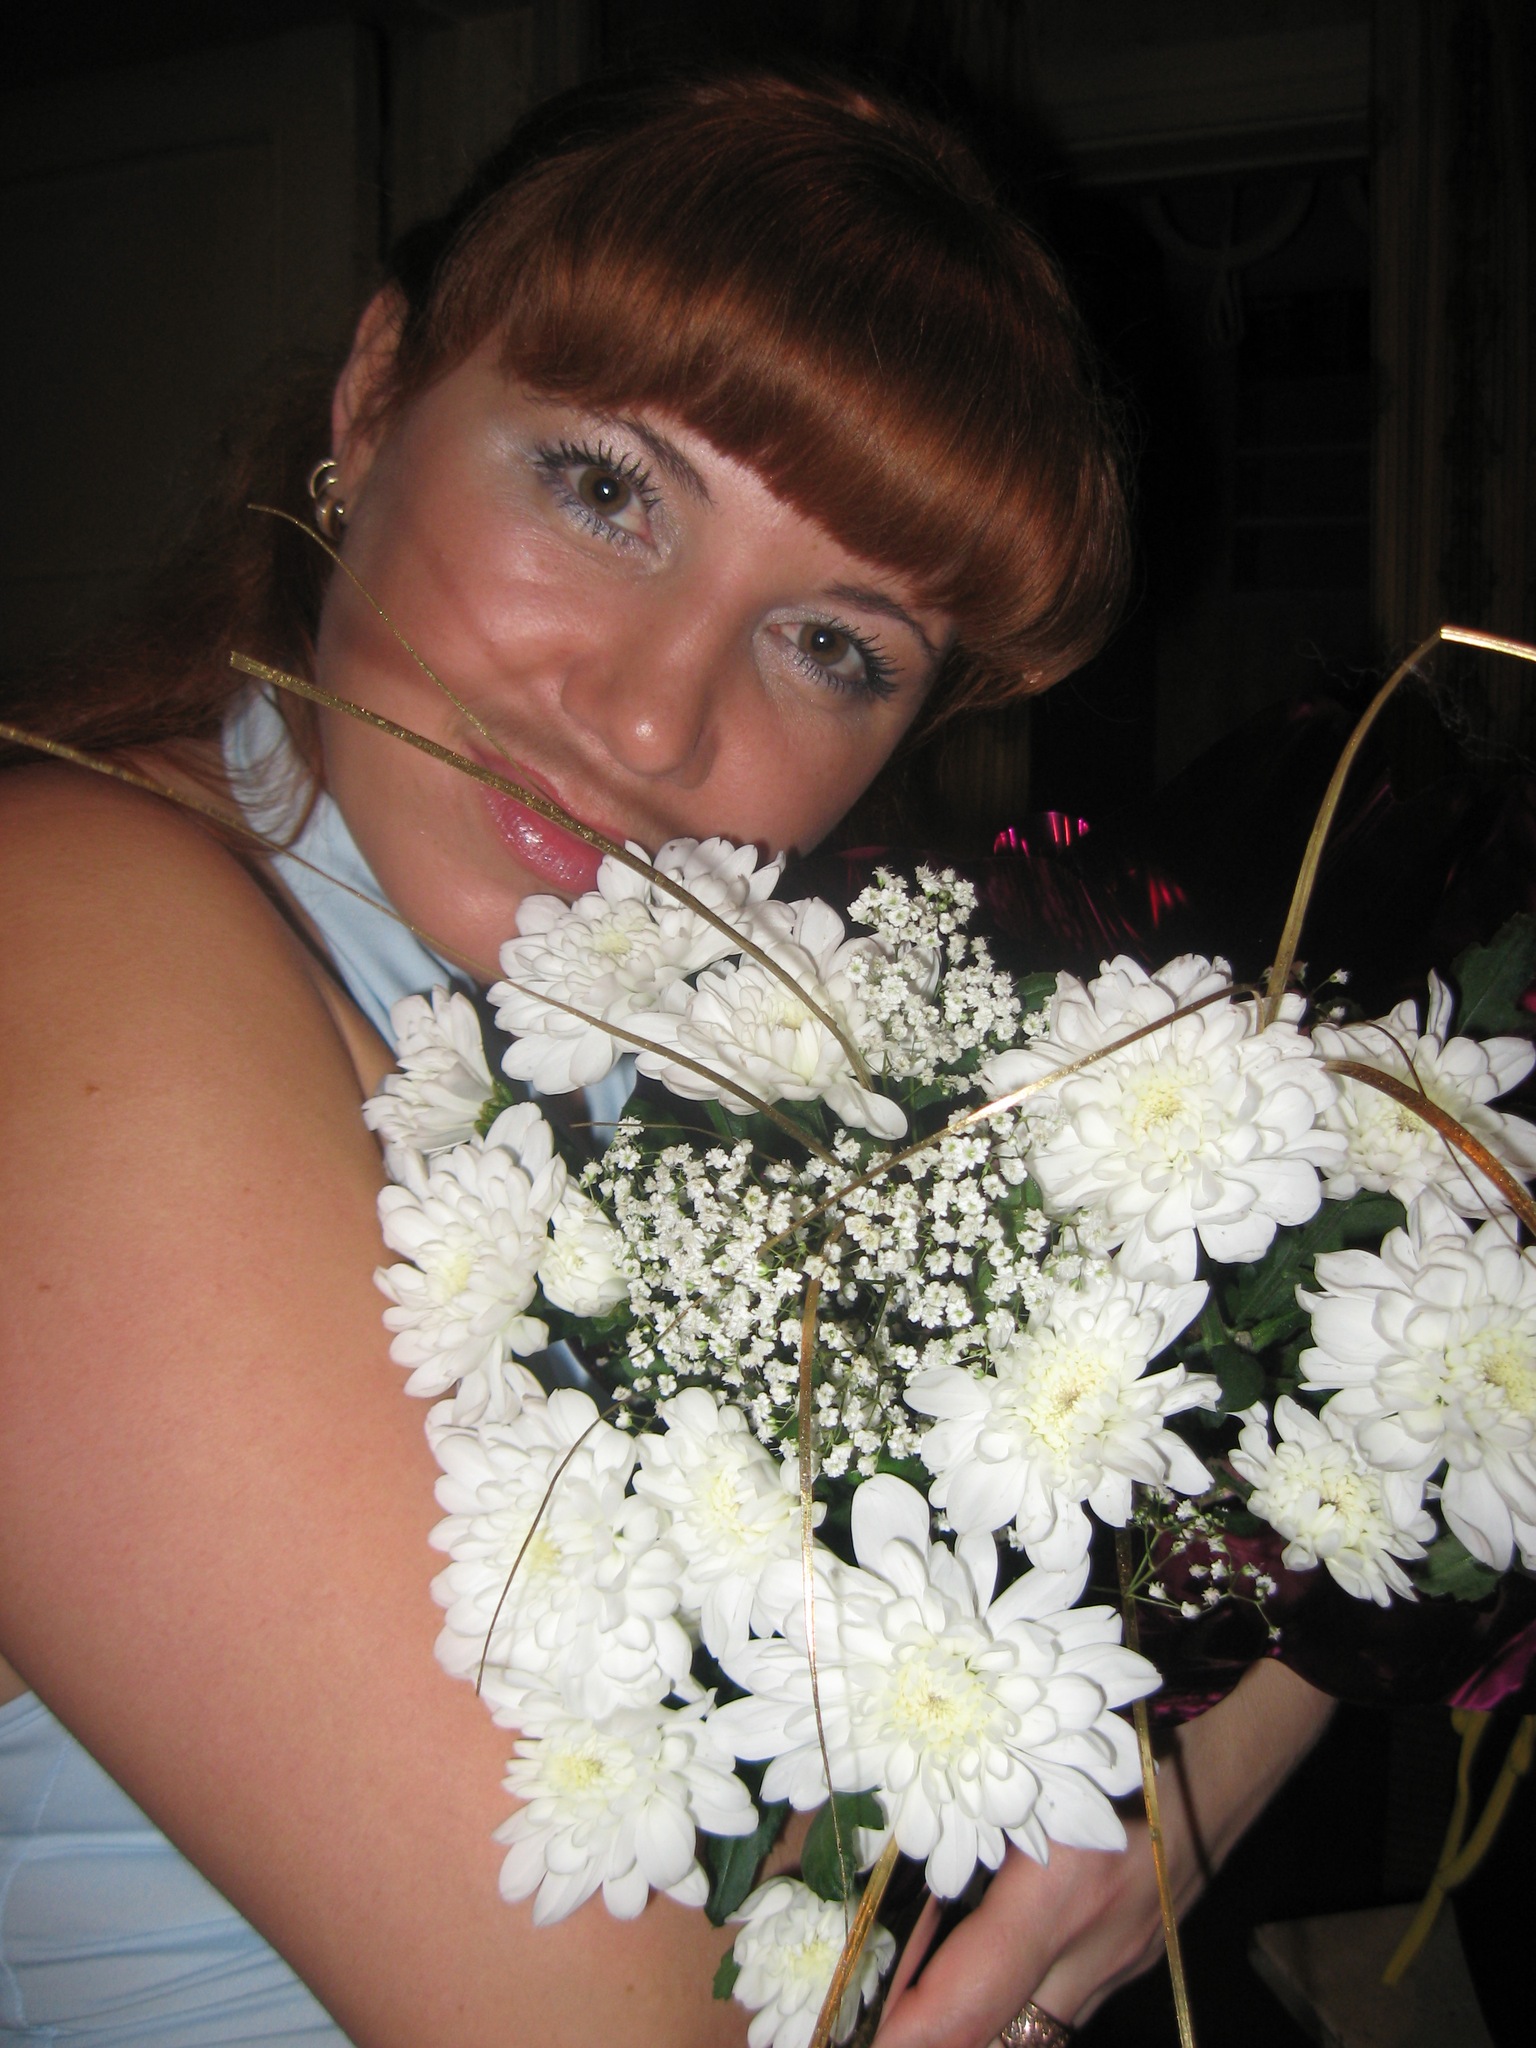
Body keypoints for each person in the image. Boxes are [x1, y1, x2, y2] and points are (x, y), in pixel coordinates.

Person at [0, 64, 1332, 2048]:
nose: (649, 723)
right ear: (373, 399)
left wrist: (1270, 1677)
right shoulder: (69, 942)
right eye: (609, 490)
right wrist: (1202, 1756)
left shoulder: (695, 1077)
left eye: (834, 645)